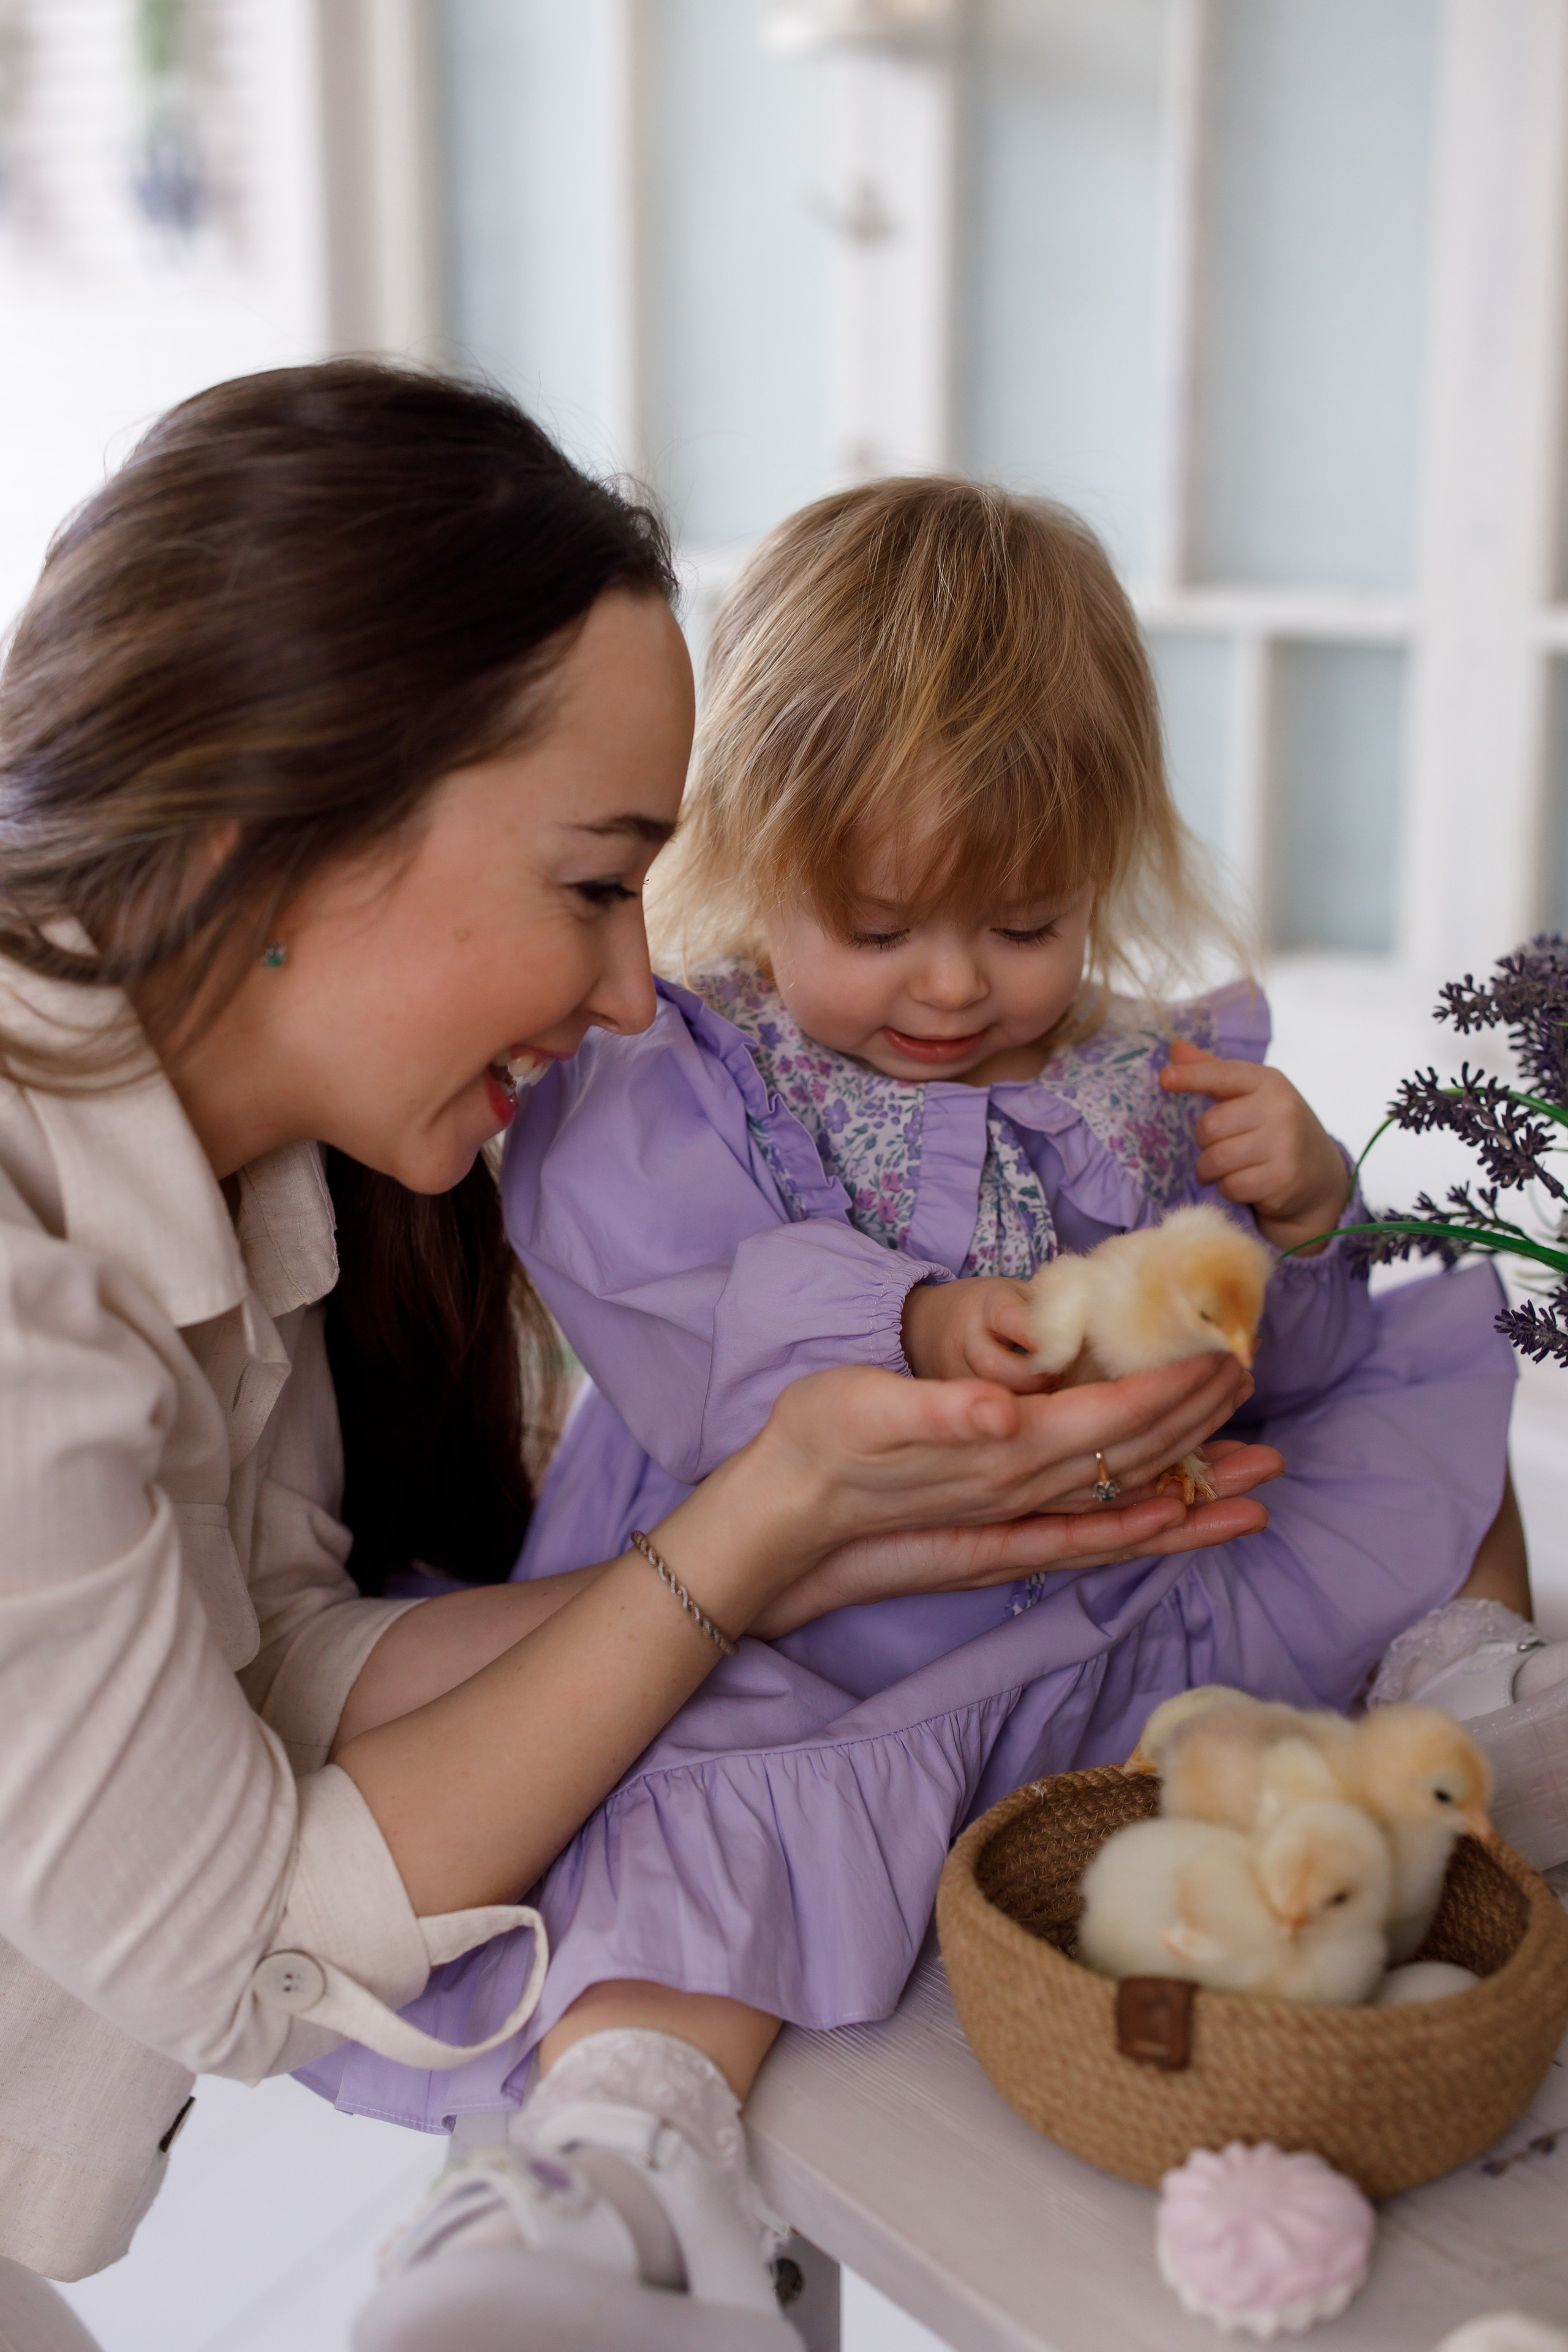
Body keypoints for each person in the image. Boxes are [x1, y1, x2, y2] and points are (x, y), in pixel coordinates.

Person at [0, 368, 1284, 2352]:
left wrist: (810, 1553)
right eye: (599, 885)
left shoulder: (248, 1203)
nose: (629, 992)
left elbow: (263, 1665)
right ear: (289, 831)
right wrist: (758, 1526)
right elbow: (230, 1940)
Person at [304, 480, 1524, 2282]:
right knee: (684, 1809)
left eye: (1025, 922)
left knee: (1439, 1427)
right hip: (810, 1633)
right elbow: (685, 1345)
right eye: (877, 924)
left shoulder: (1148, 1078)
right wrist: (910, 1318)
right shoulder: (685, 1076)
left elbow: (1288, 1374)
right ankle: (617, 2168)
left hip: (1117, 1612)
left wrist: (1303, 1221)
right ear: (752, 856)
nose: (955, 985)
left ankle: (1482, 1718)